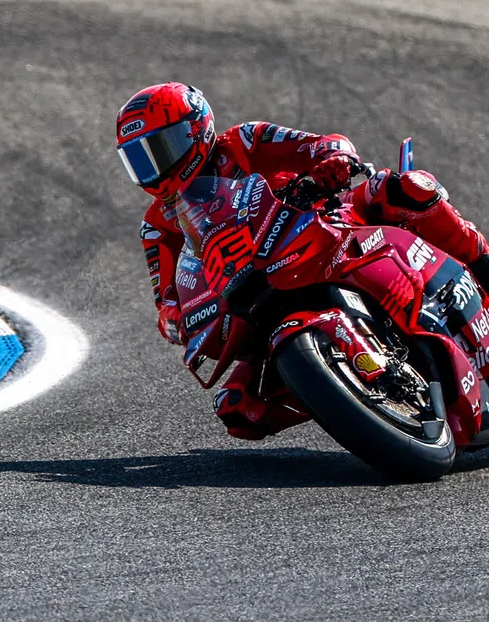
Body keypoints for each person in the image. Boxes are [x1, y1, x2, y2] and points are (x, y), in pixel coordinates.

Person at [116, 82, 489, 441]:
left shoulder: (245, 140)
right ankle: (347, 393)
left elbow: (323, 144)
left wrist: (333, 161)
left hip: (321, 225)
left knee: (406, 188)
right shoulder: (157, 225)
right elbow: (167, 296)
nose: (154, 166)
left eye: (161, 148)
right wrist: (174, 319)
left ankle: (482, 261)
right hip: (250, 292)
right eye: (139, 158)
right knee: (238, 409)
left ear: (195, 129)